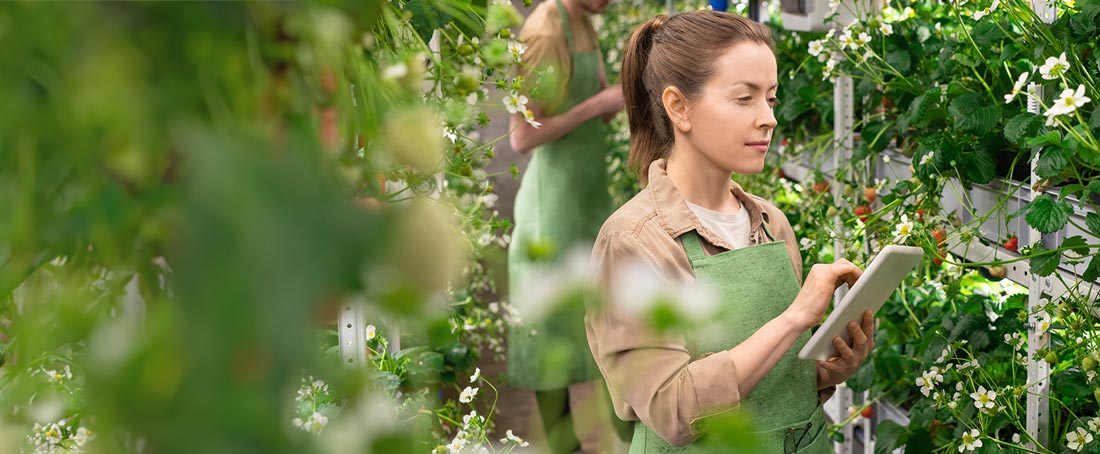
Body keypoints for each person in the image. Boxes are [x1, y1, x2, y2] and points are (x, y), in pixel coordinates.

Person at [585, 10, 875, 453]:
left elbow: (763, 381)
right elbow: (673, 410)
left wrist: (820, 374)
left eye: (772, 99)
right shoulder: (634, 241)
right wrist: (796, 316)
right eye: (745, 99)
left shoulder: (771, 223)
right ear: (679, 107)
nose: (768, 119)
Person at [505, 0, 626, 452]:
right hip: (553, 206)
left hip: (586, 195)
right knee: (552, 325)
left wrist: (610, 101)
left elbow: (586, 104)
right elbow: (522, 135)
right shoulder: (544, 31)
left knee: (598, 313)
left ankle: (619, 435)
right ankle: (563, 444)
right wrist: (597, 102)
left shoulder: (581, 18)